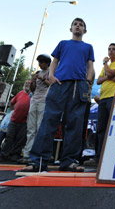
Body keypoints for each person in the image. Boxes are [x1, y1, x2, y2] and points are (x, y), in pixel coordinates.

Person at [22, 18, 94, 172]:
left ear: (85, 31)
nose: (78, 26)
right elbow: (55, 61)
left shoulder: (88, 47)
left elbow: (90, 66)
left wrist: (87, 82)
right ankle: (38, 161)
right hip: (59, 84)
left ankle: (69, 161)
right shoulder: (63, 43)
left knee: (74, 124)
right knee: (49, 120)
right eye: (75, 24)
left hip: (78, 85)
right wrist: (51, 76)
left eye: (81, 25)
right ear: (70, 29)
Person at [85, 43, 115, 167]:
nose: (111, 51)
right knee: (101, 129)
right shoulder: (107, 66)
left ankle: (112, 157)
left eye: (113, 49)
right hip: (103, 99)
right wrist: (110, 76)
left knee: (112, 128)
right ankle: (98, 158)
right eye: (109, 49)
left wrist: (105, 64)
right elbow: (99, 80)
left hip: (114, 97)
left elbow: (111, 73)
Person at [18, 54, 51, 164]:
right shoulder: (38, 73)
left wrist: (42, 78)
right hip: (34, 100)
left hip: (44, 100)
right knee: (31, 128)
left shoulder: (50, 71)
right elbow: (32, 89)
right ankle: (27, 154)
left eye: (41, 63)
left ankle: (36, 154)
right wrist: (32, 82)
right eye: (39, 63)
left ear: (46, 63)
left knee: (39, 127)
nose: (40, 65)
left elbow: (52, 83)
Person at [0, 80, 31, 162]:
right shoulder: (20, 93)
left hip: (25, 121)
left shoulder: (33, 95)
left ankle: (15, 155)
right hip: (14, 120)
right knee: (9, 138)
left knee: (20, 140)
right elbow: (12, 102)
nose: (27, 85)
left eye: (29, 84)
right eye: (26, 83)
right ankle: (3, 155)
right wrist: (13, 111)